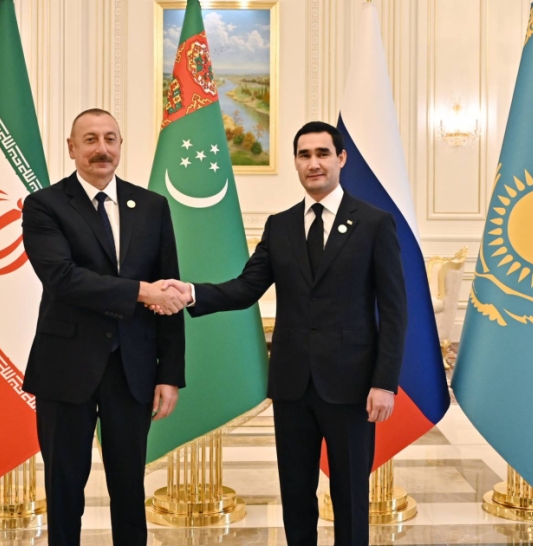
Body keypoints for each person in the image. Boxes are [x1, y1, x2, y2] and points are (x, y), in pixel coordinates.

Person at [159, 121, 407, 546]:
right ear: (295, 162)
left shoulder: (374, 223)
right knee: (295, 495)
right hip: (292, 386)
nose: (313, 163)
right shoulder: (281, 225)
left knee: (350, 495)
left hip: (351, 386)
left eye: (322, 153)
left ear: (341, 158)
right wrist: (192, 293)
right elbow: (246, 288)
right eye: (304, 155)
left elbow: (395, 311)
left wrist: (384, 382)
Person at [21, 108, 190, 546]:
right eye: (91, 139)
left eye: (110, 139)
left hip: (133, 368)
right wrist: (141, 292)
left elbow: (169, 291)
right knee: (64, 486)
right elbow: (62, 278)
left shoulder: (152, 206)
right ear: (71, 148)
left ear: (120, 146)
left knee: (130, 487)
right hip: (66, 366)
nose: (102, 149)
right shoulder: (44, 205)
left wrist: (170, 374)